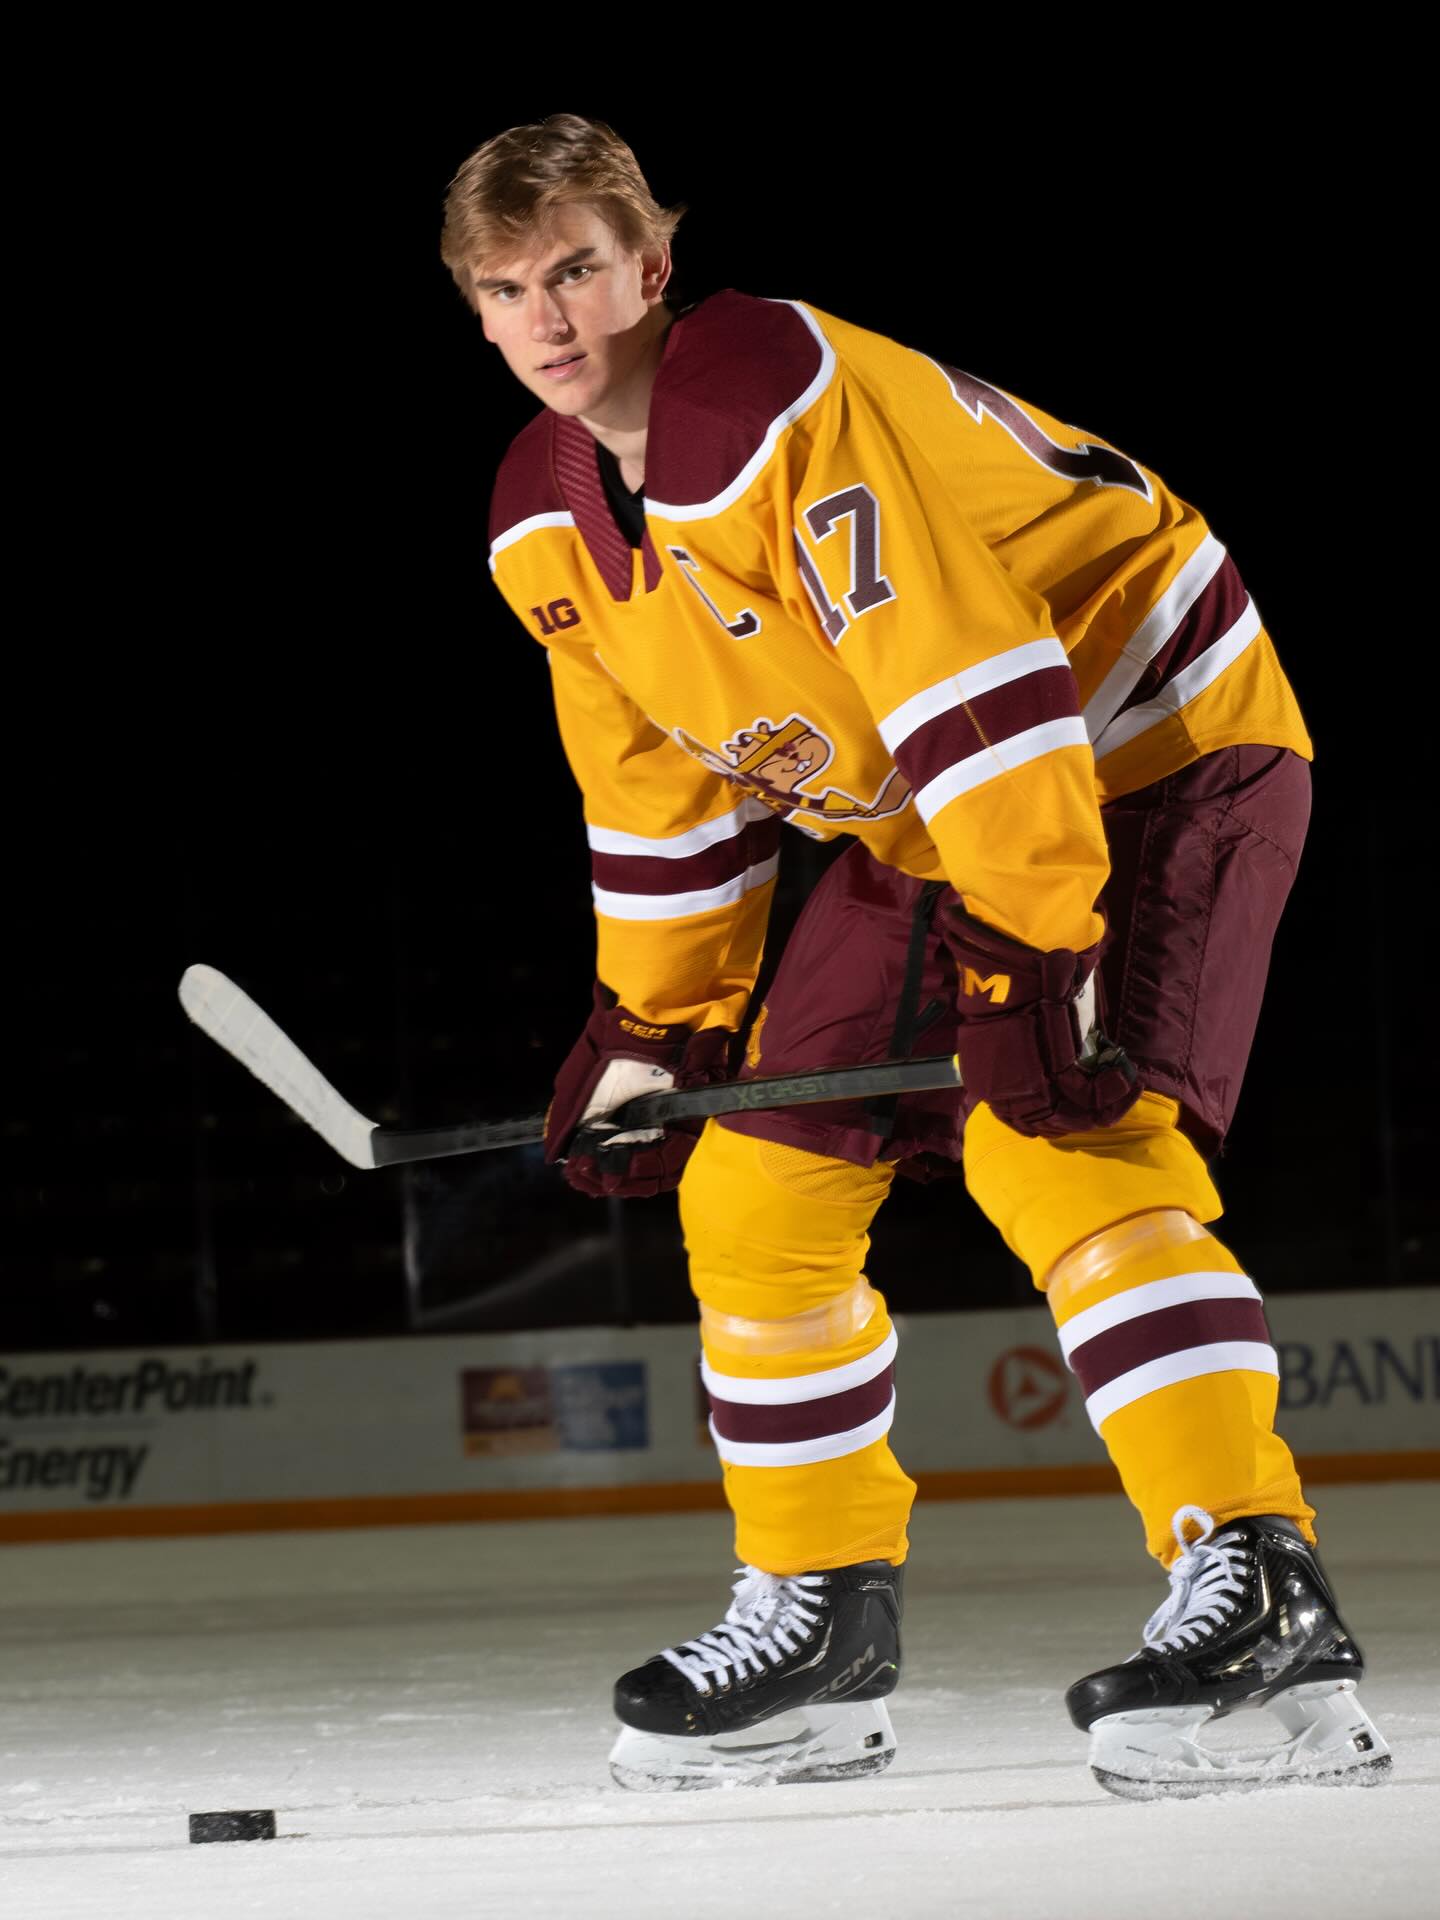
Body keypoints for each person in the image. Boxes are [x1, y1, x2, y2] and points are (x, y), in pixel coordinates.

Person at [442, 114, 1390, 1797]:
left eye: (575, 270)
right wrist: (658, 1027)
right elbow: (663, 793)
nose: (548, 317)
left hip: (1154, 740)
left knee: (1063, 1134)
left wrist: (1033, 944)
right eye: (506, 290)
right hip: (944, 807)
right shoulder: (541, 523)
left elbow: (977, 672)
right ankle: (819, 1623)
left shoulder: (769, 395)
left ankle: (1261, 1584)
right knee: (757, 1189)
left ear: (651, 266)